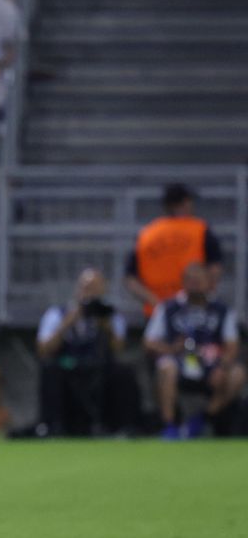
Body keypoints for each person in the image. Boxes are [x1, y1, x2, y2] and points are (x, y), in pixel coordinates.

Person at [36, 268, 140, 436]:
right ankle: (52, 425)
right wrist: (66, 324)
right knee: (49, 369)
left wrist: (106, 326)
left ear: (103, 291)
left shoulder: (110, 315)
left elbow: (118, 349)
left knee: (123, 372)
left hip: (99, 364)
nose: (90, 293)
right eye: (86, 287)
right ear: (78, 289)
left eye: (95, 288)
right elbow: (43, 350)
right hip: (68, 363)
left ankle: (123, 426)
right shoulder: (58, 313)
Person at [144, 263, 244, 439]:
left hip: (210, 364)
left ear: (209, 283)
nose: (195, 284)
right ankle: (170, 425)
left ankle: (201, 421)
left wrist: (223, 366)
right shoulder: (168, 308)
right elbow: (149, 342)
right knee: (166, 367)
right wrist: (171, 348)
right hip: (179, 362)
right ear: (183, 282)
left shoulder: (222, 310)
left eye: (200, 280)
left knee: (237, 374)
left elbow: (232, 346)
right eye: (191, 280)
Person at [125, 184, 223, 318]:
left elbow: (131, 279)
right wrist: (206, 292)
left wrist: (154, 301)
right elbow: (215, 268)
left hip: (156, 311)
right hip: (194, 309)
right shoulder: (200, 229)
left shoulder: (147, 233)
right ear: (183, 204)